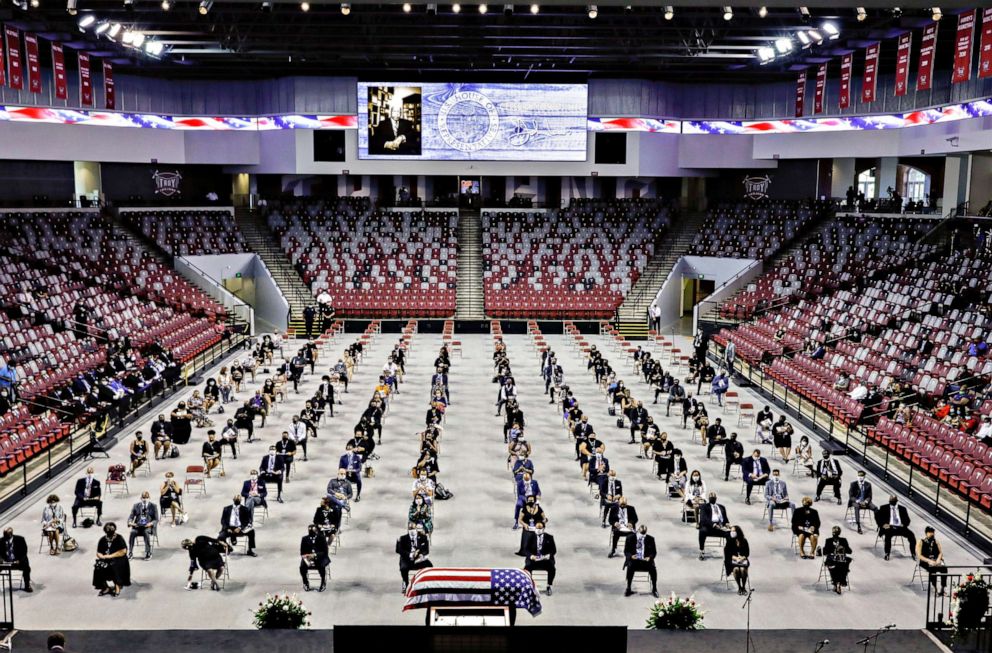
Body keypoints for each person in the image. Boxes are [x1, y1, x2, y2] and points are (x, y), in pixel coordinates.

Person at [92, 522, 130, 596]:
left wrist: (110, 556)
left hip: (119, 559)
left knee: (113, 565)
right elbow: (98, 552)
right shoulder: (102, 540)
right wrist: (101, 556)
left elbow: (123, 551)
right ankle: (105, 587)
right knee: (98, 567)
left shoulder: (119, 538)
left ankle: (117, 586)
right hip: (106, 559)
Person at [876, 495, 916, 561]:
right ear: (889, 501)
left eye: (893, 501)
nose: (892, 502)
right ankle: (887, 553)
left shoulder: (902, 509)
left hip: (900, 527)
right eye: (891, 501)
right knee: (888, 536)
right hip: (889, 527)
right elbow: (879, 519)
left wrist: (903, 525)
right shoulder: (883, 508)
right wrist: (883, 525)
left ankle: (913, 553)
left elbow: (908, 520)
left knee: (911, 535)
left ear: (896, 501)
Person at [623, 525, 658, 598]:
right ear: (638, 531)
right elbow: (626, 551)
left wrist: (650, 557)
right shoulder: (630, 538)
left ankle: (654, 588)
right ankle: (628, 587)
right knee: (630, 567)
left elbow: (654, 552)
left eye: (644, 535)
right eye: (641, 534)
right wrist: (631, 556)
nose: (642, 536)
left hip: (645, 561)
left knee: (653, 569)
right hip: (634, 560)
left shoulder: (651, 539)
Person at [396, 522, 432, 593]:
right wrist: (410, 555)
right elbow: (399, 550)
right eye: (410, 529)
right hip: (407, 560)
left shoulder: (423, 537)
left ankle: (427, 583)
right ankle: (406, 583)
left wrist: (422, 554)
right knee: (403, 568)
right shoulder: (403, 538)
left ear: (416, 529)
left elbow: (426, 550)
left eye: (413, 529)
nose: (412, 531)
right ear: (408, 529)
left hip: (418, 560)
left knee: (429, 565)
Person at [917, 526, 948, 595]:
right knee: (933, 569)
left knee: (944, 568)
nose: (932, 534)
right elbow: (919, 555)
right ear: (926, 533)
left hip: (935, 560)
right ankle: (934, 587)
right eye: (930, 532)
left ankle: (943, 588)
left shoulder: (936, 542)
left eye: (933, 532)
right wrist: (929, 561)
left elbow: (940, 553)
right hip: (925, 561)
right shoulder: (921, 542)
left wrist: (938, 559)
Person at [698, 492, 730, 558]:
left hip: (721, 527)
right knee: (702, 531)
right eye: (711, 498)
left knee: (731, 533)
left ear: (716, 498)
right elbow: (704, 519)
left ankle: (729, 552)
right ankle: (702, 550)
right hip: (709, 527)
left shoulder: (721, 507)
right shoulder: (704, 506)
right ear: (709, 498)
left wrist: (727, 524)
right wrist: (714, 525)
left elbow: (725, 518)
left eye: (714, 498)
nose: (712, 499)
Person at [127, 491, 158, 560]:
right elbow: (131, 517)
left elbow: (156, 519)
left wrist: (150, 523)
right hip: (138, 526)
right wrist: (130, 522)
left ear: (149, 498)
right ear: (141, 498)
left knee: (146, 532)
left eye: (146, 497)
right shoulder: (136, 506)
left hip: (147, 526)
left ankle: (148, 552)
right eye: (143, 498)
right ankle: (130, 552)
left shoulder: (153, 506)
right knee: (132, 532)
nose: (145, 499)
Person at [300, 524, 330, 592]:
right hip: (308, 558)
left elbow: (325, 552)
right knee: (302, 567)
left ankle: (323, 582)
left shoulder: (322, 538)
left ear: (316, 531)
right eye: (309, 530)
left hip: (320, 557)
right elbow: (302, 552)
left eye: (312, 530)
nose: (310, 532)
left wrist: (315, 555)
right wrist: (306, 556)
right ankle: (305, 582)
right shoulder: (304, 539)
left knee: (321, 566)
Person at [0, 528, 32, 592]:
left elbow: (24, 552)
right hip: (5, 562)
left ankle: (27, 585)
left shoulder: (20, 539)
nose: (5, 537)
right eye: (4, 535)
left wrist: (19, 560)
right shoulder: (1, 541)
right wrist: (1, 559)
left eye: (6, 535)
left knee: (27, 567)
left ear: (11, 534)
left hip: (17, 562)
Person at [823, 526, 852, 594]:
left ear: (839, 533)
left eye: (837, 532)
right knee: (834, 565)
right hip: (832, 558)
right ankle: (838, 582)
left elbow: (850, 551)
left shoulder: (843, 540)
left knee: (844, 563)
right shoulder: (828, 540)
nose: (835, 533)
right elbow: (824, 552)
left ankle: (839, 582)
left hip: (841, 558)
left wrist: (843, 549)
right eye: (834, 532)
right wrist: (834, 550)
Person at [847, 470, 876, 535]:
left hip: (865, 501)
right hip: (856, 501)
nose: (860, 477)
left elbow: (869, 496)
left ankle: (879, 524)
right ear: (857, 476)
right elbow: (851, 496)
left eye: (862, 476)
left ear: (864, 477)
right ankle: (859, 526)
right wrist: (858, 501)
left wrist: (865, 501)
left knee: (875, 508)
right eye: (859, 476)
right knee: (857, 507)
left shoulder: (868, 485)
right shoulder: (853, 484)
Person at [724, 525, 750, 595]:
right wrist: (735, 558)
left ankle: (743, 587)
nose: (732, 533)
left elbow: (747, 553)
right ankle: (739, 587)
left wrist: (742, 558)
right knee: (736, 569)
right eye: (731, 531)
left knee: (742, 569)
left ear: (738, 532)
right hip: (731, 560)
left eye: (733, 531)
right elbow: (727, 553)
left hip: (742, 560)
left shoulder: (744, 541)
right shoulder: (729, 541)